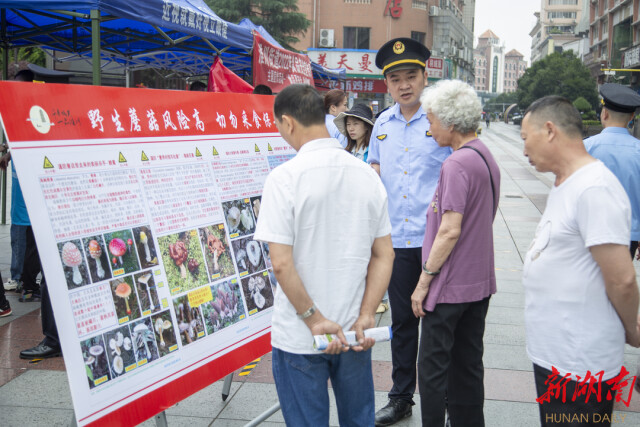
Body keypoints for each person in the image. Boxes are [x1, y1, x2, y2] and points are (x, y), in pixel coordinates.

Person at [254, 84, 395, 426]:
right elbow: (384, 254)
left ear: (288, 123)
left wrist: (315, 320)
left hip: (300, 336)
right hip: (353, 331)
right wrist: (365, 315)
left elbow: (281, 262)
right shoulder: (366, 175)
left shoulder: (284, 178)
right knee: (358, 419)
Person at [520, 96, 640, 426]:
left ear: (549, 131)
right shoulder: (567, 182)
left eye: (525, 138)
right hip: (557, 356)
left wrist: (631, 330)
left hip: (580, 365)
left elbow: (623, 280)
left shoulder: (594, 188)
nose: (524, 150)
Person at [368, 37, 452, 426]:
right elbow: (374, 175)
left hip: (436, 241)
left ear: (425, 77)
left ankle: (446, 398)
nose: (404, 85)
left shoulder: (442, 121)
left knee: (439, 324)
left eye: (411, 76)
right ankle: (401, 397)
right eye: (396, 78)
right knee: (402, 323)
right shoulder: (381, 124)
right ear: (386, 84)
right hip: (396, 243)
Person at [411, 80, 500, 426]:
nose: (429, 128)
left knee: (431, 369)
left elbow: (450, 229)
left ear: (449, 122)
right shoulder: (484, 155)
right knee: (467, 365)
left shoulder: (456, 164)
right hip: (478, 282)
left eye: (431, 120)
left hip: (449, 286)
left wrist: (424, 281)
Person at [584, 83, 640, 261]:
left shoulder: (585, 147)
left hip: (589, 230)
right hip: (627, 234)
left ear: (604, 113)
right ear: (631, 117)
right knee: (616, 285)